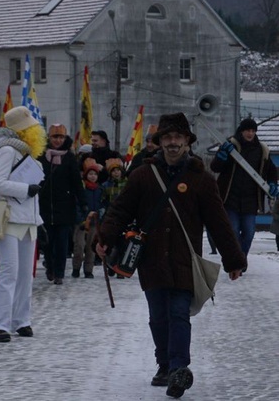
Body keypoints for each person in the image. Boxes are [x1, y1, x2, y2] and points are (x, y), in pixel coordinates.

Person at [96, 112, 246, 398]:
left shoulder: (201, 179)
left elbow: (219, 222)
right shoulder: (142, 175)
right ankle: (164, 365)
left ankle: (179, 368)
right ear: (160, 142)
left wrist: (234, 260)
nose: (173, 142)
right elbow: (120, 210)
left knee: (179, 313)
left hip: (183, 259)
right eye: (167, 137)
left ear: (188, 141)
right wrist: (104, 237)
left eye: (178, 137)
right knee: (157, 316)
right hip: (150, 258)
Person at [0, 106, 45, 343]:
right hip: (9, 219)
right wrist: (25, 189)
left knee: (24, 275)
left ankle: (21, 320)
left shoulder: (27, 154)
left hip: (27, 222)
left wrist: (39, 222)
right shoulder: (8, 151)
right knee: (9, 272)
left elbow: (33, 196)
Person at [210, 117, 279, 264]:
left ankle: (240, 258)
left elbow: (271, 170)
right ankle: (235, 260)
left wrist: (273, 183)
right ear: (241, 131)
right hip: (230, 198)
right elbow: (215, 168)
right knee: (233, 232)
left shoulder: (262, 150)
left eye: (253, 130)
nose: (250, 133)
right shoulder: (230, 146)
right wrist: (221, 157)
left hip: (251, 200)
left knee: (249, 233)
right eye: (248, 130)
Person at [38, 123, 85, 284]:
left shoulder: (70, 157)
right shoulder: (41, 156)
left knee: (62, 243)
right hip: (45, 206)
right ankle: (50, 266)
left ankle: (59, 273)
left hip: (65, 206)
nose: (57, 140)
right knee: (47, 242)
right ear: (49, 138)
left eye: (60, 137)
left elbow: (77, 182)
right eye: (54, 137)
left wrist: (83, 202)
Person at [71, 159, 103, 280]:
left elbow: (101, 204)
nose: (93, 176)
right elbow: (77, 204)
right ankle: (76, 268)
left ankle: (88, 270)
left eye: (95, 174)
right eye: (90, 174)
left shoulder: (100, 190)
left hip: (95, 223)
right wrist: (80, 219)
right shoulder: (82, 188)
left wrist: (100, 215)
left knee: (91, 247)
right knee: (79, 246)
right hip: (81, 223)